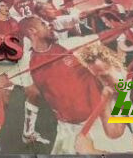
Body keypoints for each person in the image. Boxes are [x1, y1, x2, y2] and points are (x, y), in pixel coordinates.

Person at [19, 16, 126, 154]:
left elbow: (102, 37)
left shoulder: (69, 45)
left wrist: (126, 26)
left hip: (97, 119)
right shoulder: (28, 62)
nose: (49, 26)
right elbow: (32, 93)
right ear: (33, 31)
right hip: (67, 128)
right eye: (43, 24)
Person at [0, 0, 49, 152]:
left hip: (22, 60)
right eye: (3, 5)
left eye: (7, 5)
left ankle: (28, 133)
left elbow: (29, 32)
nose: (6, 7)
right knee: (3, 102)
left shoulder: (17, 21)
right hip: (4, 63)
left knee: (34, 93)